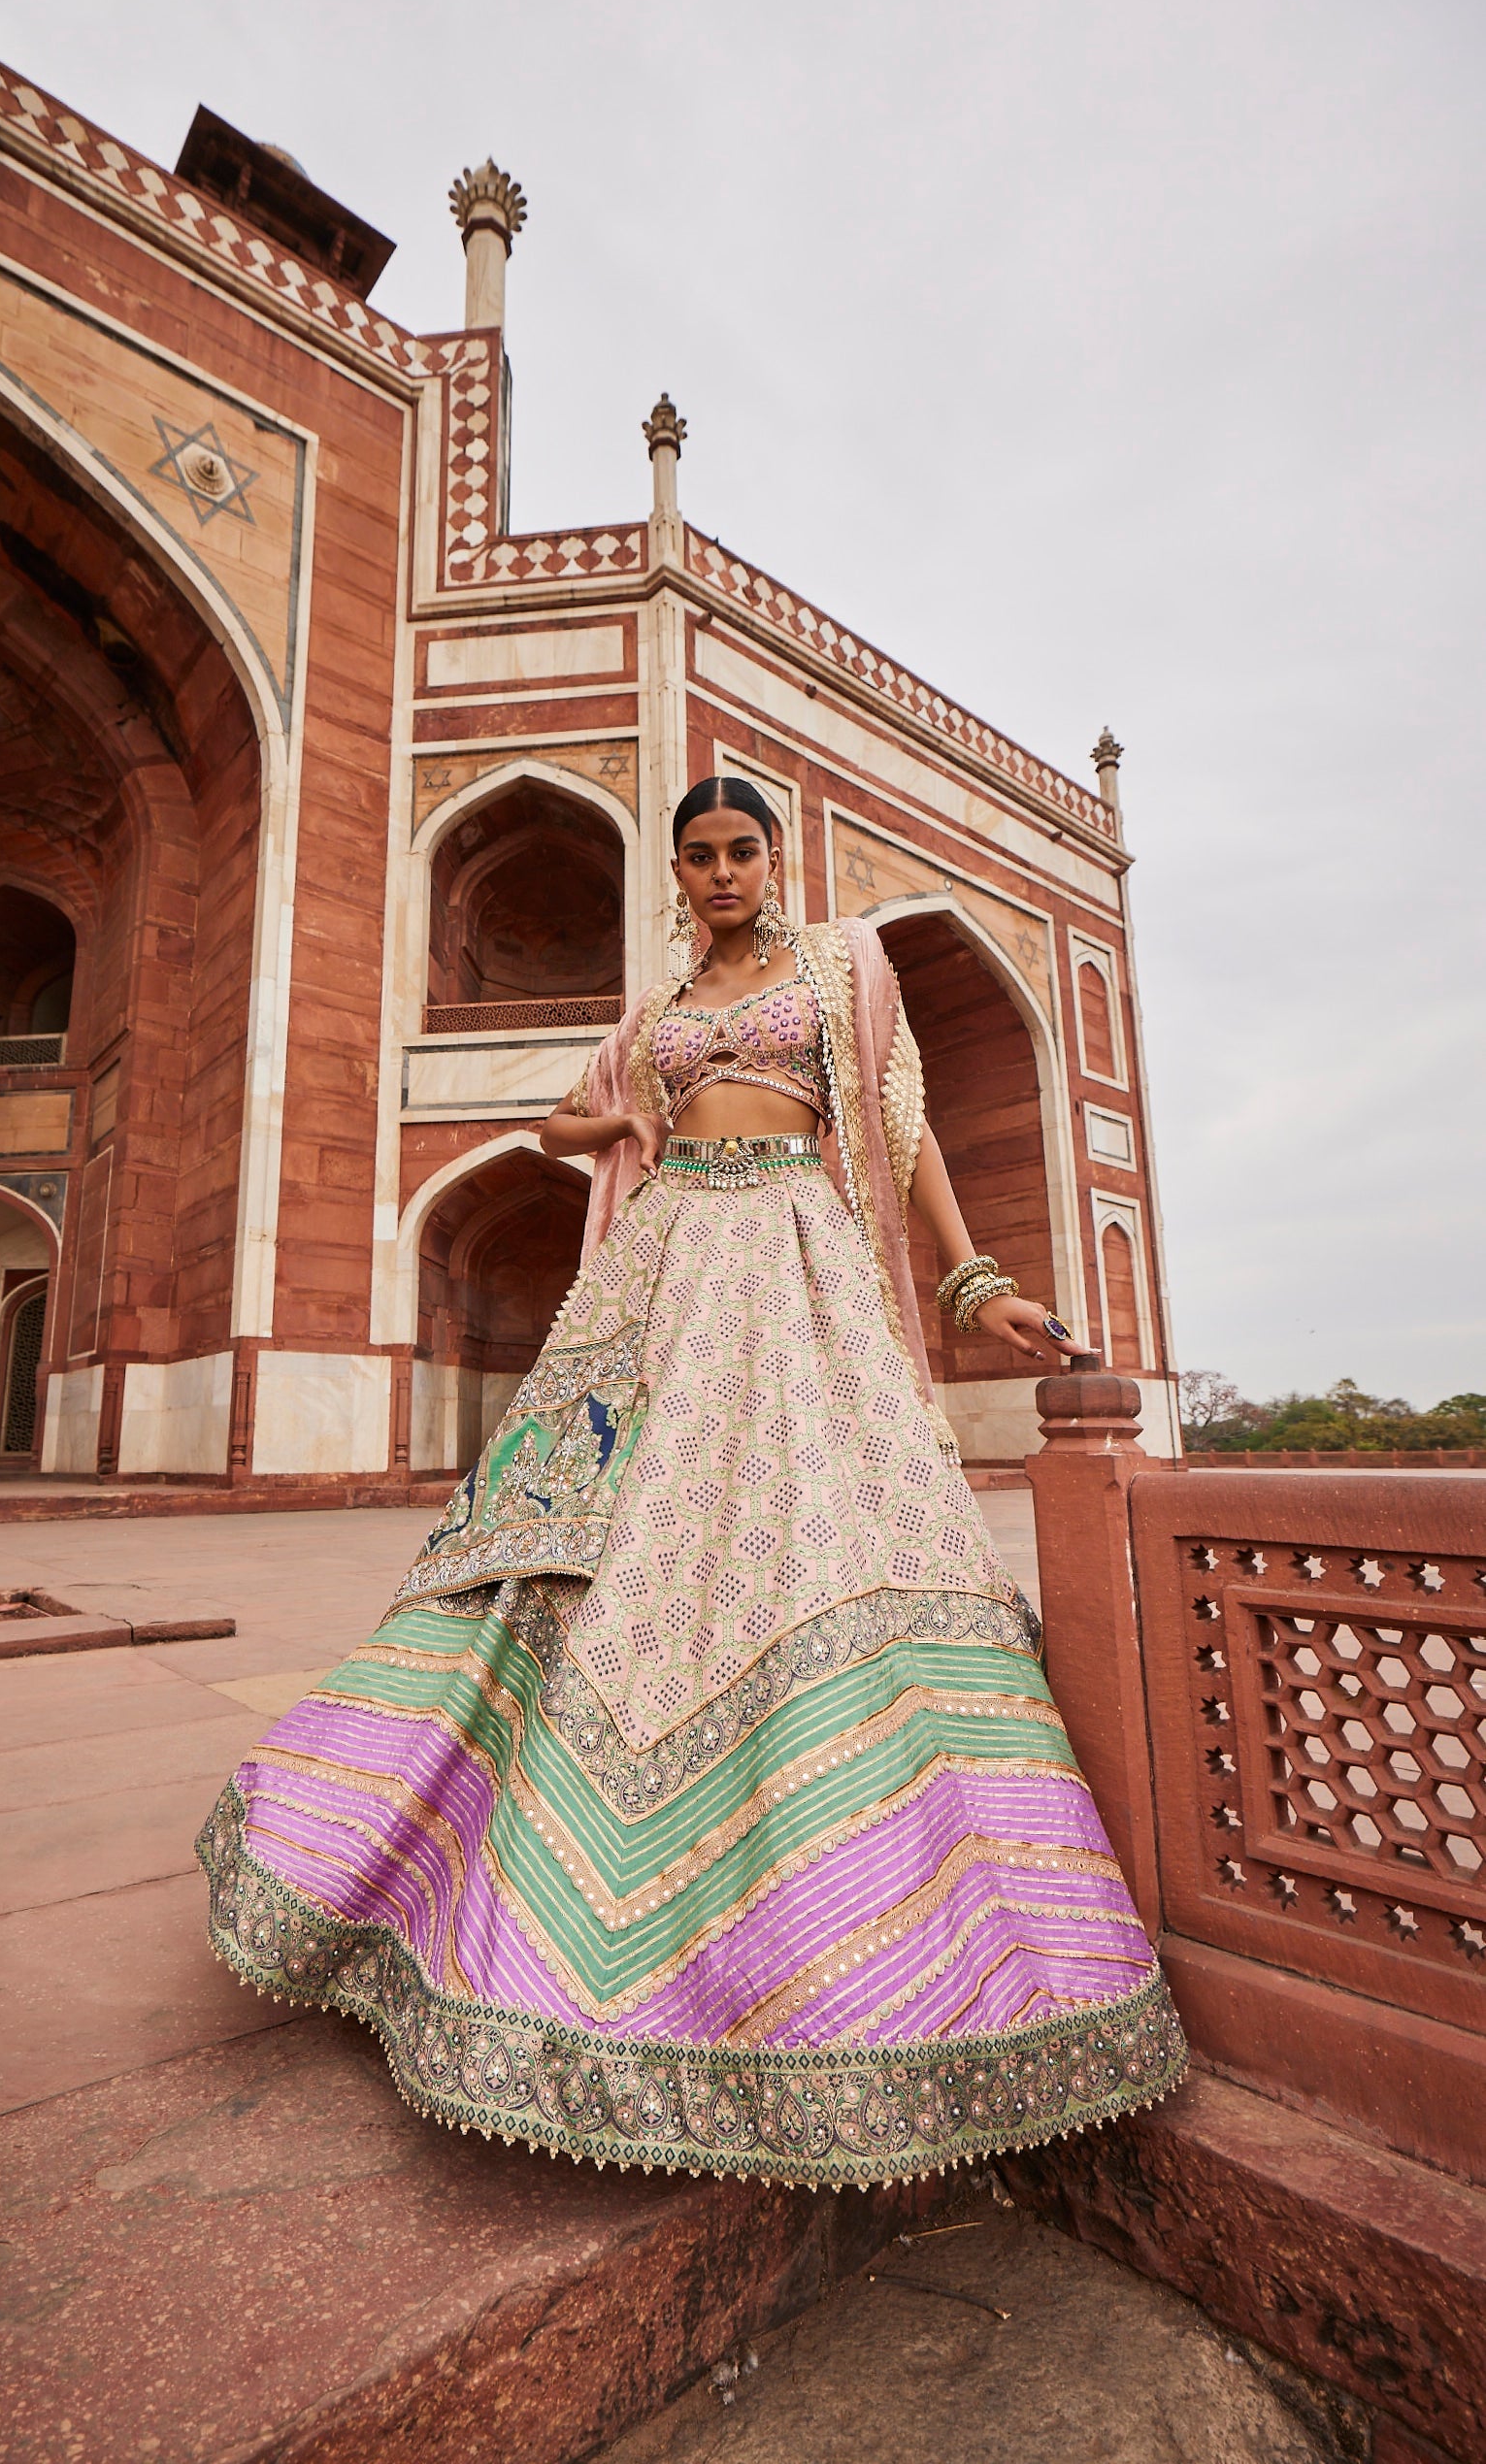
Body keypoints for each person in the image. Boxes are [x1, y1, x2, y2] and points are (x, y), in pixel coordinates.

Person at [199, 775, 1186, 2186]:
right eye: (699, 857)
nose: (722, 872)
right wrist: (618, 1131)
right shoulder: (652, 1022)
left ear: (774, 856)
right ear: (675, 876)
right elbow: (555, 1126)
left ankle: (855, 1924)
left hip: (794, 1254)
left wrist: (976, 1281)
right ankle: (491, 1889)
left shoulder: (845, 964)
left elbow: (898, 1128)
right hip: (662, 1266)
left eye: (741, 850)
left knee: (805, 1532)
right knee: (596, 1536)